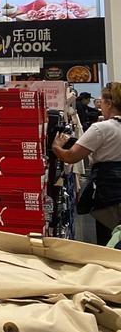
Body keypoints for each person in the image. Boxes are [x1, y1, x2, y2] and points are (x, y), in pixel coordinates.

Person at [53, 82, 121, 244]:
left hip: (110, 194)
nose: (99, 106)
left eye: (101, 101)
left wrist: (56, 147)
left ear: (109, 103)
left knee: (109, 240)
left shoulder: (101, 128)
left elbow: (71, 157)